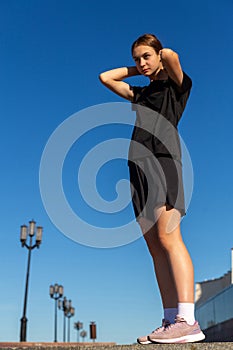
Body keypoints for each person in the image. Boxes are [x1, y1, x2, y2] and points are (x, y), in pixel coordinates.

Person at [99, 33, 205, 344]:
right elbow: (105, 77)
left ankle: (188, 319)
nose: (140, 63)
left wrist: (156, 62)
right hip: (137, 168)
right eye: (136, 59)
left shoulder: (177, 87)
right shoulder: (141, 95)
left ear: (157, 56)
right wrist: (140, 71)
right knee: (154, 247)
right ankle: (171, 319)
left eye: (146, 56)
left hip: (163, 161)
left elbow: (171, 54)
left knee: (168, 236)